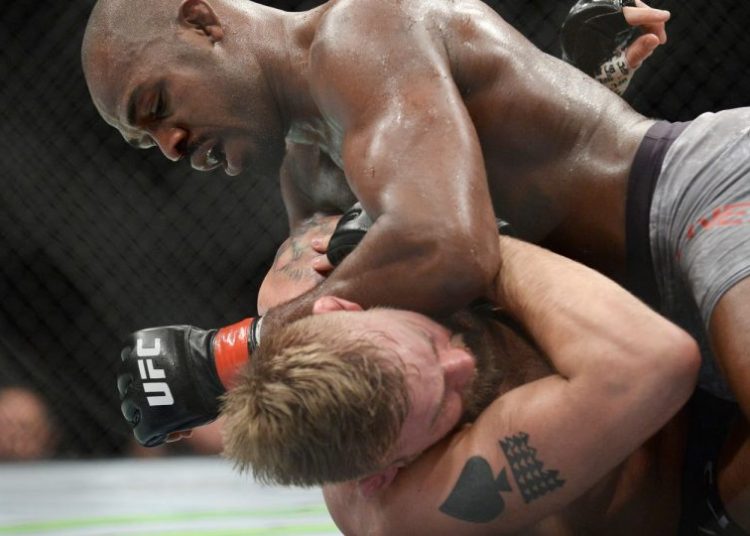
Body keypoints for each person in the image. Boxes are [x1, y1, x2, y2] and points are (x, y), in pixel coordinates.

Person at [81, 0, 749, 527]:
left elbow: (453, 243)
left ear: (203, 23)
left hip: (702, 198)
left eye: (157, 106)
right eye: (145, 141)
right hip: (637, 304)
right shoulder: (306, 174)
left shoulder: (358, 30)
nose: (170, 146)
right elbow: (334, 332)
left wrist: (225, 357)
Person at [222, 221, 701, 535]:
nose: (460, 363)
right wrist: (466, 241)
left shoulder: (306, 290)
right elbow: (658, 359)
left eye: (427, 341)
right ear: (385, 473)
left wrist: (396, 224)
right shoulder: (415, 507)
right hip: (697, 462)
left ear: (342, 308)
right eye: (439, 407)